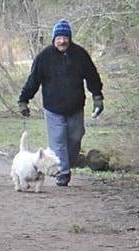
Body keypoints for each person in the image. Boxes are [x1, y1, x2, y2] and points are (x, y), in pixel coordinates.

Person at [18, 19, 104, 187]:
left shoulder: (80, 55)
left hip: (76, 107)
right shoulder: (44, 56)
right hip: (53, 108)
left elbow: (92, 77)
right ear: (53, 39)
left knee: (75, 137)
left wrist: (97, 97)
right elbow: (33, 80)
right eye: (59, 37)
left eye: (65, 37)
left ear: (70, 38)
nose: (62, 40)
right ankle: (62, 173)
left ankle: (66, 164)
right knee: (58, 141)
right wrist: (23, 100)